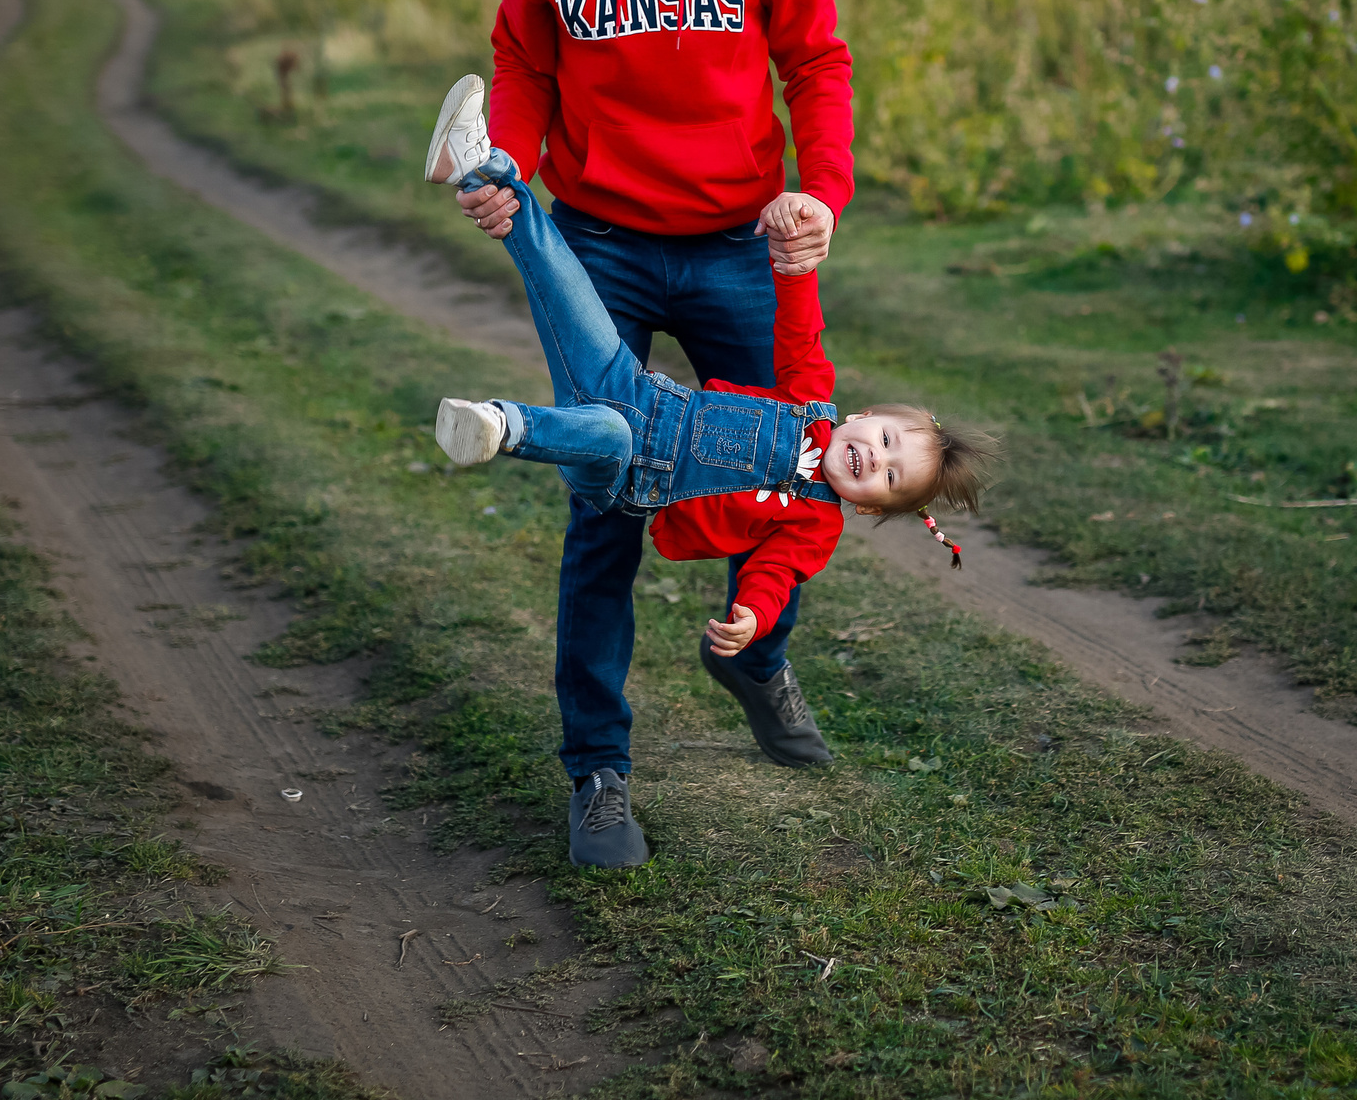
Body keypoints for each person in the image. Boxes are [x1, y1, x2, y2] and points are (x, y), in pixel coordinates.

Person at [459, 0, 859, 865]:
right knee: (608, 498)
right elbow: (521, 64)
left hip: (740, 243)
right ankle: (599, 776)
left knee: (795, 469)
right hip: (603, 250)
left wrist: (818, 198)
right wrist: (510, 170)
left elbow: (817, 60)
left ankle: (758, 658)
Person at [425, 81, 996, 866]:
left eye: (888, 477)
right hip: (641, 385)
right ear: (865, 412)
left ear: (869, 508)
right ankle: (481, 164)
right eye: (886, 437)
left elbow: (772, 573)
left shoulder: (813, 523)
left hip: (634, 474)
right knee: (563, 285)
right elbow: (798, 321)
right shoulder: (808, 395)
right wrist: (794, 257)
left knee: (605, 440)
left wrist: (753, 620)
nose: (875, 457)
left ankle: (504, 425)